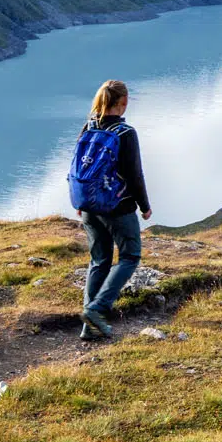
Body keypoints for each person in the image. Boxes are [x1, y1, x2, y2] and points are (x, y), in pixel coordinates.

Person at [73, 79, 150, 340]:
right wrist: (144, 206)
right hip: (118, 207)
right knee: (130, 256)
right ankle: (96, 309)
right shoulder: (125, 133)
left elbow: (79, 166)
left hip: (88, 206)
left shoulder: (89, 127)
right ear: (123, 102)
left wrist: (81, 200)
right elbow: (135, 174)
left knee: (99, 260)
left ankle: (89, 327)